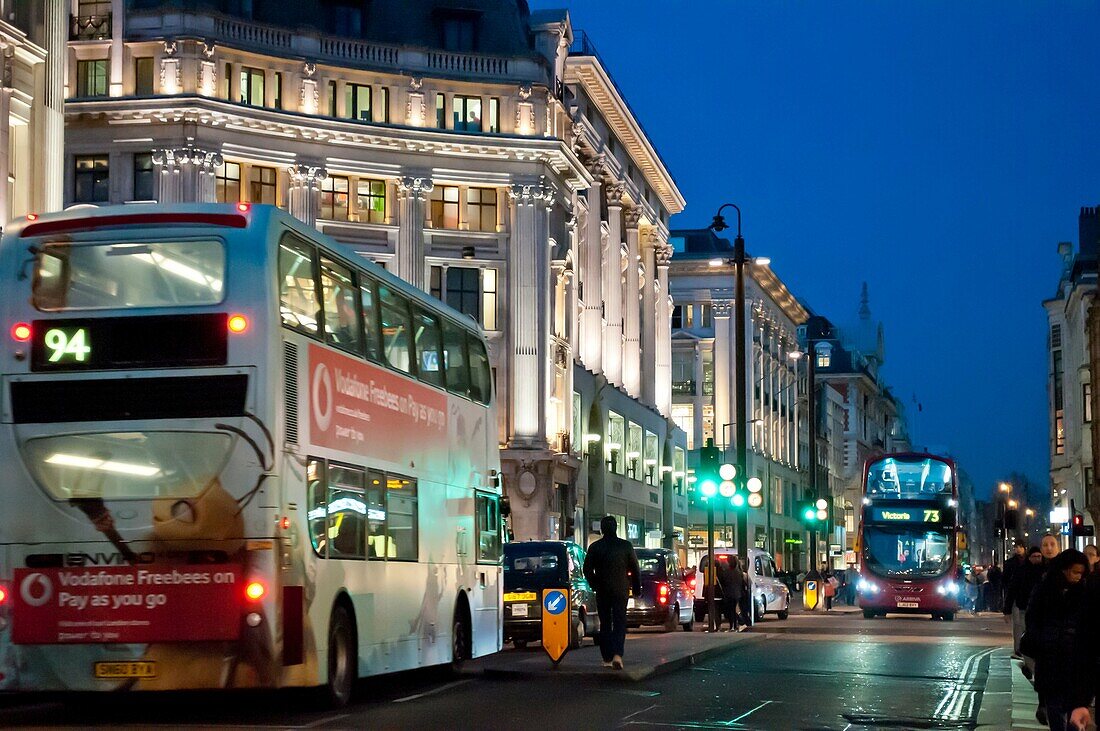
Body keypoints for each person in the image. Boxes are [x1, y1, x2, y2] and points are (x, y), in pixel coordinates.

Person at [1023, 549, 1093, 731]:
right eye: (1075, 572)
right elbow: (1033, 618)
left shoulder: (1086, 593)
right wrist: (1041, 640)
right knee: (1054, 705)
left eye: (1081, 573)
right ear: (1064, 569)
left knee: (1074, 709)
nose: (1078, 577)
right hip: (1050, 656)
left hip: (1075, 659)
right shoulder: (1045, 589)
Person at [583, 516, 641, 670]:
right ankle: (617, 655)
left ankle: (607, 657)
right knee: (620, 621)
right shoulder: (626, 546)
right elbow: (635, 570)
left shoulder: (595, 547)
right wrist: (636, 589)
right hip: (620, 589)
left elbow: (587, 569)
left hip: (603, 589)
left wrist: (595, 584)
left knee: (605, 623)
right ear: (616, 528)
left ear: (602, 529)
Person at [1003, 546, 1044, 658]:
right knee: (1021, 628)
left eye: (1039, 556)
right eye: (1034, 556)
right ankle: (1020, 651)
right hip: (1023, 605)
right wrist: (1007, 609)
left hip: (1039, 608)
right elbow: (1012, 589)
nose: (1037, 559)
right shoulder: (1021, 570)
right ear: (1029, 557)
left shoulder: (1045, 571)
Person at [716, 555, 743, 632]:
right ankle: (735, 625)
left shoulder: (727, 572)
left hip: (729, 594)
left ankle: (732, 626)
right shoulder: (738, 572)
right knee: (733, 610)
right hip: (737, 594)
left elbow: (723, 581)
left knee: (730, 611)